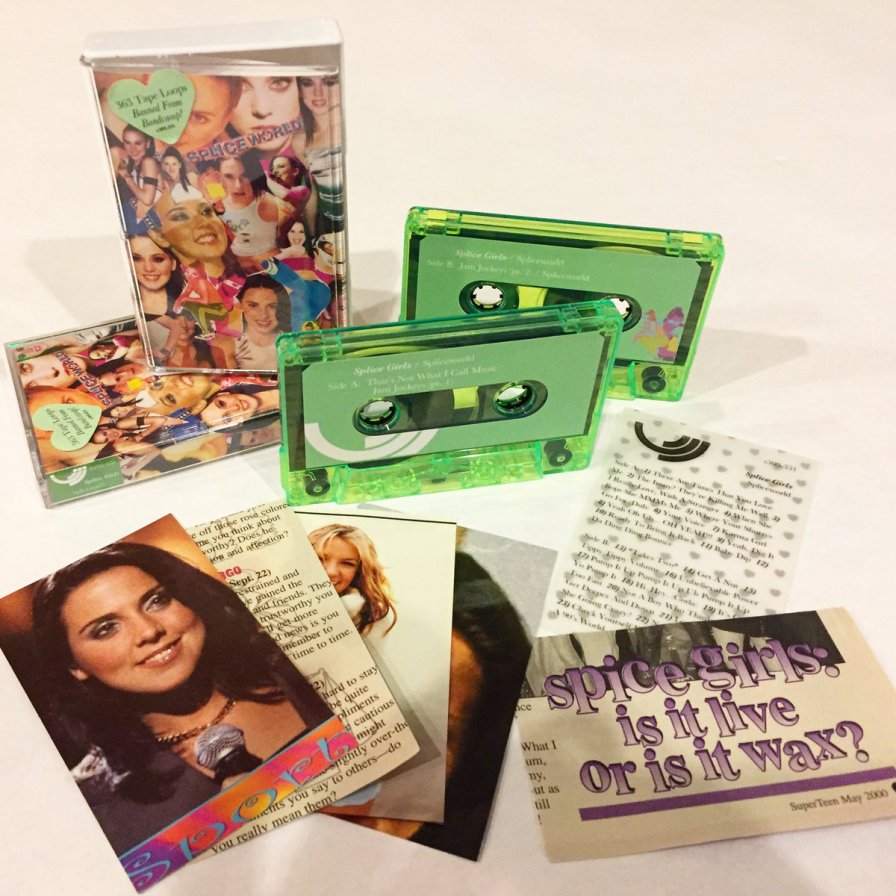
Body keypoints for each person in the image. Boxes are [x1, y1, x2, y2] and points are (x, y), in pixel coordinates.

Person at [30, 541, 331, 855]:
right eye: (106, 629)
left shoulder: (303, 666)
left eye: (156, 601)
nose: (149, 631)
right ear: (74, 665)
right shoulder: (90, 806)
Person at [308, 524, 397, 638]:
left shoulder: (372, 620)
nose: (331, 572)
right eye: (319, 558)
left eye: (347, 563)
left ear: (359, 572)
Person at [218, 152, 295, 268]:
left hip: (270, 265)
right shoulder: (215, 204)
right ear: (220, 177)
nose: (238, 185)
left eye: (244, 176)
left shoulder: (272, 203)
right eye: (229, 176)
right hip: (236, 268)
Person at [233, 273, 290, 370]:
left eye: (272, 306)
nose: (264, 315)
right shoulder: (230, 346)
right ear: (239, 304)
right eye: (253, 305)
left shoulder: (294, 345)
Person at [118, 126, 163, 233]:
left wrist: (126, 177)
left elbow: (147, 199)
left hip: (150, 222)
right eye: (128, 143)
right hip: (140, 220)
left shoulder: (148, 162)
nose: (133, 149)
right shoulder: (134, 165)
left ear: (147, 144)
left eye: (138, 143)